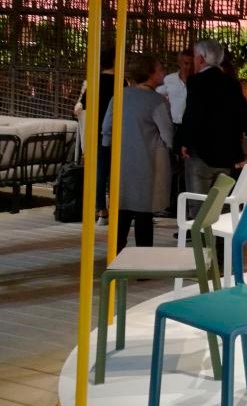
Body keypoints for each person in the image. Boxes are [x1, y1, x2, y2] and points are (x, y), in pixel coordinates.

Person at [100, 53, 172, 253]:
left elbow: (106, 129)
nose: (163, 73)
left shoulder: (119, 96)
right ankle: (143, 261)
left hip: (121, 163)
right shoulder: (157, 102)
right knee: (144, 215)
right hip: (148, 163)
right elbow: (168, 135)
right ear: (150, 73)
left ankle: (115, 257)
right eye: (160, 69)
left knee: (121, 212)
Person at [179, 39, 247, 217]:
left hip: (201, 152)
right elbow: (244, 118)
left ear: (200, 59)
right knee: (220, 206)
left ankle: (200, 234)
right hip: (226, 154)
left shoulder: (196, 81)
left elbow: (192, 115)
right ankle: (219, 234)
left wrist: (185, 142)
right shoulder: (232, 83)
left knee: (199, 207)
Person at [74, 46, 127, 226]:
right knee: (116, 171)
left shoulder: (94, 81)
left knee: (100, 170)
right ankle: (116, 208)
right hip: (116, 130)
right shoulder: (120, 82)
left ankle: (101, 210)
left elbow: (83, 104)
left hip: (96, 129)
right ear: (115, 61)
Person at [156, 48, 194, 217]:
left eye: (191, 63)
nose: (188, 67)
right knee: (172, 167)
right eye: (185, 63)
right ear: (179, 63)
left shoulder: (197, 81)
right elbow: (157, 93)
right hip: (173, 125)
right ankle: (171, 205)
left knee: (187, 168)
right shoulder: (169, 80)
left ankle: (184, 205)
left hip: (190, 127)